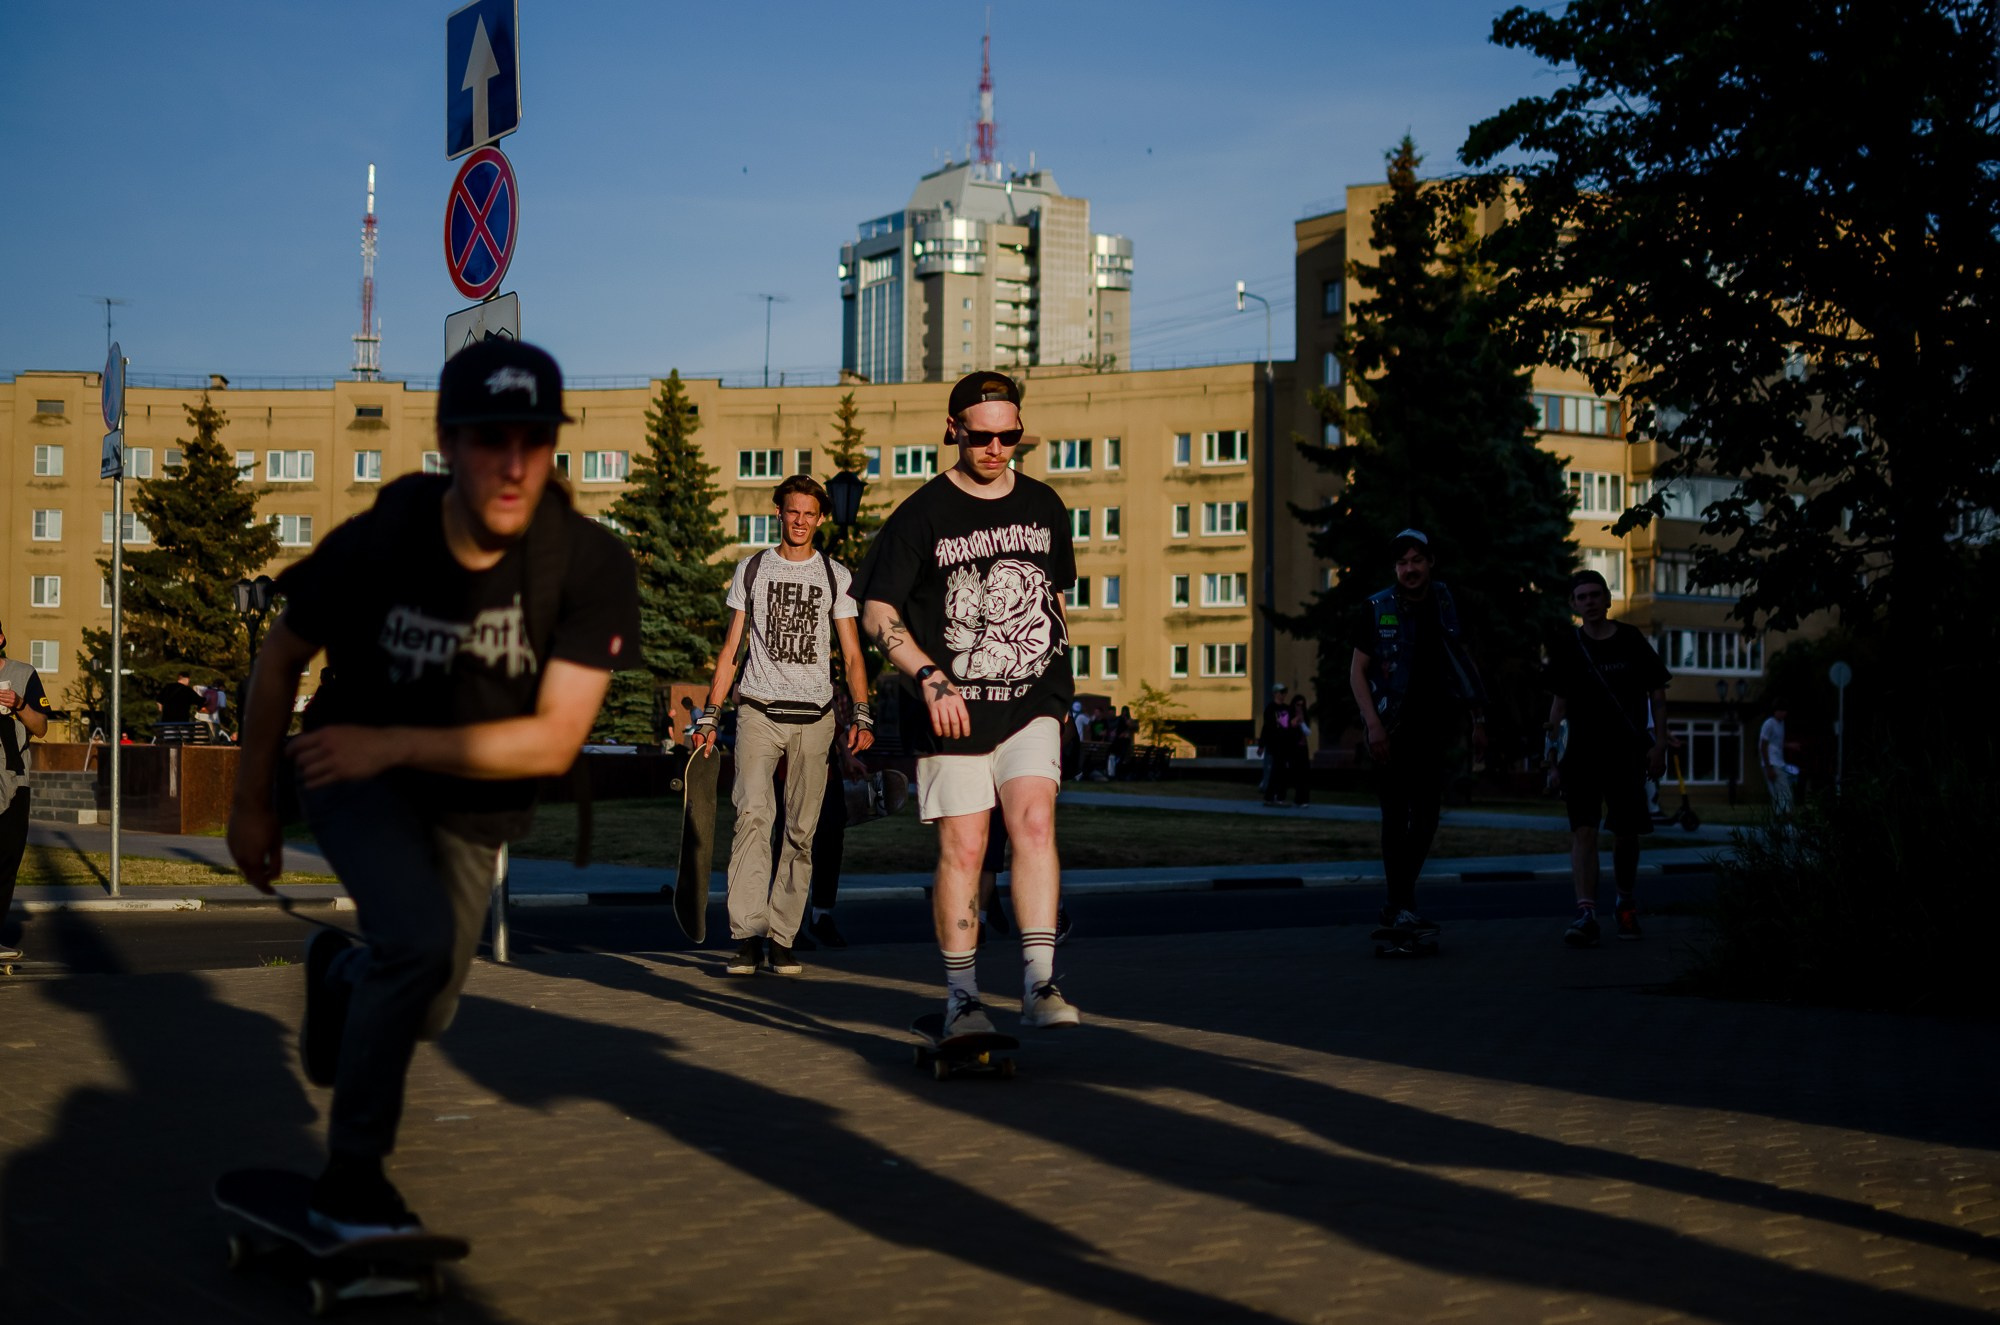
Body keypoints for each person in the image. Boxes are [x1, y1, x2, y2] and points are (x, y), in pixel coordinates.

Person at [226, 339, 641, 1240]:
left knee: (435, 990)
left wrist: (398, 741)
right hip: (348, 767)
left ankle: (342, 971)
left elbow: (556, 736)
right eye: (492, 438)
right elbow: (282, 653)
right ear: (449, 442)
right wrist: (251, 800)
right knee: (415, 944)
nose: (514, 463)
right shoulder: (390, 534)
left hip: (466, 790)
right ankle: (352, 1178)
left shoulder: (588, 565)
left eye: (534, 439)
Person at [857, 370, 1081, 1038]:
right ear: (952, 429)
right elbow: (876, 608)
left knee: (1034, 822)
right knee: (966, 846)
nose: (995, 448)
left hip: (1029, 700)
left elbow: (1055, 597)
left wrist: (1061, 686)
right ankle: (963, 999)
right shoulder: (921, 514)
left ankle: (1041, 982)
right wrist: (926, 674)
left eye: (1008, 435)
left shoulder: (1044, 504)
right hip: (950, 708)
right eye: (981, 436)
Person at [693, 474, 874, 978]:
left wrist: (860, 712)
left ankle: (782, 936)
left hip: (815, 719)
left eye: (809, 514)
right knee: (751, 818)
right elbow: (731, 651)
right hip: (757, 712)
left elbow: (853, 653)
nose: (800, 521)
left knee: (801, 830)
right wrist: (711, 713)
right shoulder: (751, 570)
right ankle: (748, 935)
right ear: (779, 513)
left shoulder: (836, 576)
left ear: (820, 518)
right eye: (792, 511)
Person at [1347, 530, 1487, 938]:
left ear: (1430, 563)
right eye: (1403, 562)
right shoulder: (1377, 607)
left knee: (1426, 818)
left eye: (1417, 560)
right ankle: (1402, 906)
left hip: (1433, 728)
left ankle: (1397, 905)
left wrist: (1479, 719)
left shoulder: (1445, 602)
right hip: (1390, 727)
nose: (1410, 569)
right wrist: (1372, 725)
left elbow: (1462, 659)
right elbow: (1357, 671)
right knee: (1395, 818)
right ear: (1396, 568)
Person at [1544, 570, 1671, 945]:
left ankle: (1625, 903)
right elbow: (1558, 706)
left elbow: (1658, 696)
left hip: (1626, 754)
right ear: (1573, 605)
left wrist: (1659, 744)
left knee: (1626, 833)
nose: (1589, 602)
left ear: (1608, 599)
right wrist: (1551, 758)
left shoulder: (1631, 640)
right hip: (1580, 756)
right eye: (1581, 597)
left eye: (1595, 595)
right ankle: (1585, 912)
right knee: (1583, 830)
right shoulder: (1569, 646)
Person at [0, 621, 53, 962]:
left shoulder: (23, 673)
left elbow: (42, 727)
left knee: (5, 863)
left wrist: (19, 704)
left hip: (13, 780)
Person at [1758, 702, 1793, 819]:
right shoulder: (1769, 724)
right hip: (1772, 763)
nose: (1783, 714)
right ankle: (1785, 815)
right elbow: (1763, 746)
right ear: (1775, 711)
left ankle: (1778, 817)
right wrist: (1768, 768)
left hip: (1779, 761)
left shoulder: (1781, 724)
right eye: (1781, 711)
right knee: (1784, 791)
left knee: (1779, 792)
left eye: (1785, 711)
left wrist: (1790, 745)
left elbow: (1777, 743)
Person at [1257, 682, 1288, 804]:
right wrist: (1261, 745)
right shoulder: (1271, 708)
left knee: (1282, 771)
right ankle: (1271, 796)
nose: (1283, 695)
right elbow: (1267, 728)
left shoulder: (1286, 708)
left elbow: (1288, 726)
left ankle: (1279, 796)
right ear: (1275, 693)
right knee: (1277, 770)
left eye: (1284, 692)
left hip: (1284, 743)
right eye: (1281, 692)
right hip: (1275, 744)